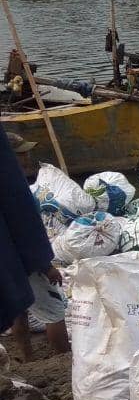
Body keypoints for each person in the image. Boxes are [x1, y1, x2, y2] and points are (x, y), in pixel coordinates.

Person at [1, 132, 70, 360]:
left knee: (20, 309)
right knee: (53, 310)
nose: (28, 157)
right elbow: (25, 228)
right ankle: (64, 357)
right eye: (22, 153)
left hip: (8, 260)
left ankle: (27, 357)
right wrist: (45, 265)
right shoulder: (13, 188)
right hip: (25, 258)